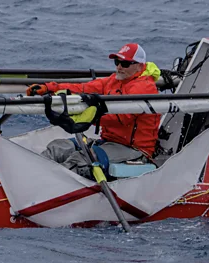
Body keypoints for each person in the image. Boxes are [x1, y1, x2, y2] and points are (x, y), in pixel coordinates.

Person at [26, 43, 162, 179]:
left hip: (134, 150)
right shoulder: (114, 80)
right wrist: (50, 88)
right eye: (117, 62)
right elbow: (84, 88)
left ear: (139, 66)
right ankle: (28, 179)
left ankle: (44, 189)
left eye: (125, 64)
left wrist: (89, 118)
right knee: (58, 148)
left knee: (79, 161)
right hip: (107, 142)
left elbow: (121, 118)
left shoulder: (144, 87)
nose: (119, 67)